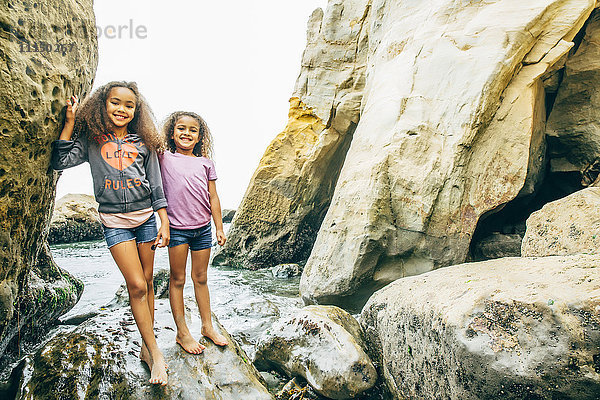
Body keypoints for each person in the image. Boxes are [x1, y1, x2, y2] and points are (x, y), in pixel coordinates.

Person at [51, 81, 169, 385]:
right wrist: (70, 122)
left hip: (146, 220)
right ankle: (156, 354)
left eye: (129, 105)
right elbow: (60, 160)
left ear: (136, 111)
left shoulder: (144, 141)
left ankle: (146, 346)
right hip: (114, 222)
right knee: (136, 286)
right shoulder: (93, 140)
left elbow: (156, 185)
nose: (122, 109)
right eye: (116, 103)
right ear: (103, 105)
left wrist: (164, 221)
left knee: (148, 284)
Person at [158, 111, 228, 354]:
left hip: (203, 229)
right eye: (181, 128)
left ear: (200, 137)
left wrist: (219, 227)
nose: (186, 133)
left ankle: (207, 326)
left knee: (201, 278)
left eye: (192, 130)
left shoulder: (206, 163)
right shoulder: (163, 157)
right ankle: (182, 332)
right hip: (177, 230)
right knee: (177, 280)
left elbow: (213, 197)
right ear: (172, 132)